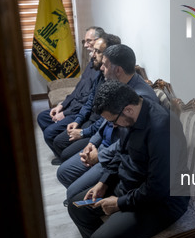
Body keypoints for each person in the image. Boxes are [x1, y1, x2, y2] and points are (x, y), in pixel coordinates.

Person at [68, 81, 189, 238]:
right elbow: (120, 154)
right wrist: (103, 183)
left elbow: (158, 188)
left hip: (162, 202)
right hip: (132, 187)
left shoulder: (162, 128)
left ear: (128, 109)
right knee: (76, 207)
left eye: (113, 121)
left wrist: (120, 203)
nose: (113, 126)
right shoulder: (128, 119)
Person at [57, 44, 159, 202]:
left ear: (118, 70)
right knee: (63, 172)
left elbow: (131, 143)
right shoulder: (117, 87)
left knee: (72, 194)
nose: (101, 68)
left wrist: (100, 156)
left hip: (114, 156)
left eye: (105, 65)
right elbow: (106, 121)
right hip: (102, 146)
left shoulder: (141, 98)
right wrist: (92, 142)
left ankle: (84, 207)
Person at [36, 26, 105, 163]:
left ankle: (64, 157)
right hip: (72, 107)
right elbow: (78, 89)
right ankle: (61, 154)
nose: (85, 46)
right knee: (42, 117)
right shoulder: (92, 63)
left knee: (51, 133)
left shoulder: (101, 69)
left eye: (88, 41)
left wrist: (66, 114)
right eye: (84, 42)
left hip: (78, 111)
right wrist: (62, 105)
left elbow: (88, 101)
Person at [51, 34, 121, 161]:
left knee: (65, 153)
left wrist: (83, 133)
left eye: (98, 51)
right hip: (89, 121)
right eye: (94, 50)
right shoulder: (100, 74)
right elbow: (89, 101)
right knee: (58, 141)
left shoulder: (116, 82)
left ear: (109, 55)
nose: (92, 55)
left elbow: (106, 120)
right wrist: (77, 121)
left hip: (97, 128)